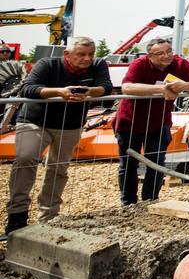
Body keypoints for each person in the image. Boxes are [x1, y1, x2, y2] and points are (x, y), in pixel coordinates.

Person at [5, 37, 112, 234]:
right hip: (35, 121)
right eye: (81, 54)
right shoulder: (47, 64)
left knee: (59, 168)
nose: (87, 58)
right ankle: (17, 215)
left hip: (70, 125)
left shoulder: (98, 65)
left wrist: (89, 91)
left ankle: (49, 216)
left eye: (91, 54)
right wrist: (58, 92)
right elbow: (28, 88)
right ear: (67, 54)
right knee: (25, 159)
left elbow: (106, 87)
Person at [115, 38, 189, 206]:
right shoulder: (139, 64)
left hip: (159, 123)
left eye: (169, 51)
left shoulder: (180, 64)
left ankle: (150, 201)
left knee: (157, 164)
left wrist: (184, 85)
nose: (166, 56)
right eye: (160, 53)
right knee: (128, 165)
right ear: (150, 56)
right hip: (130, 122)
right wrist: (162, 89)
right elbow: (127, 87)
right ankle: (128, 204)